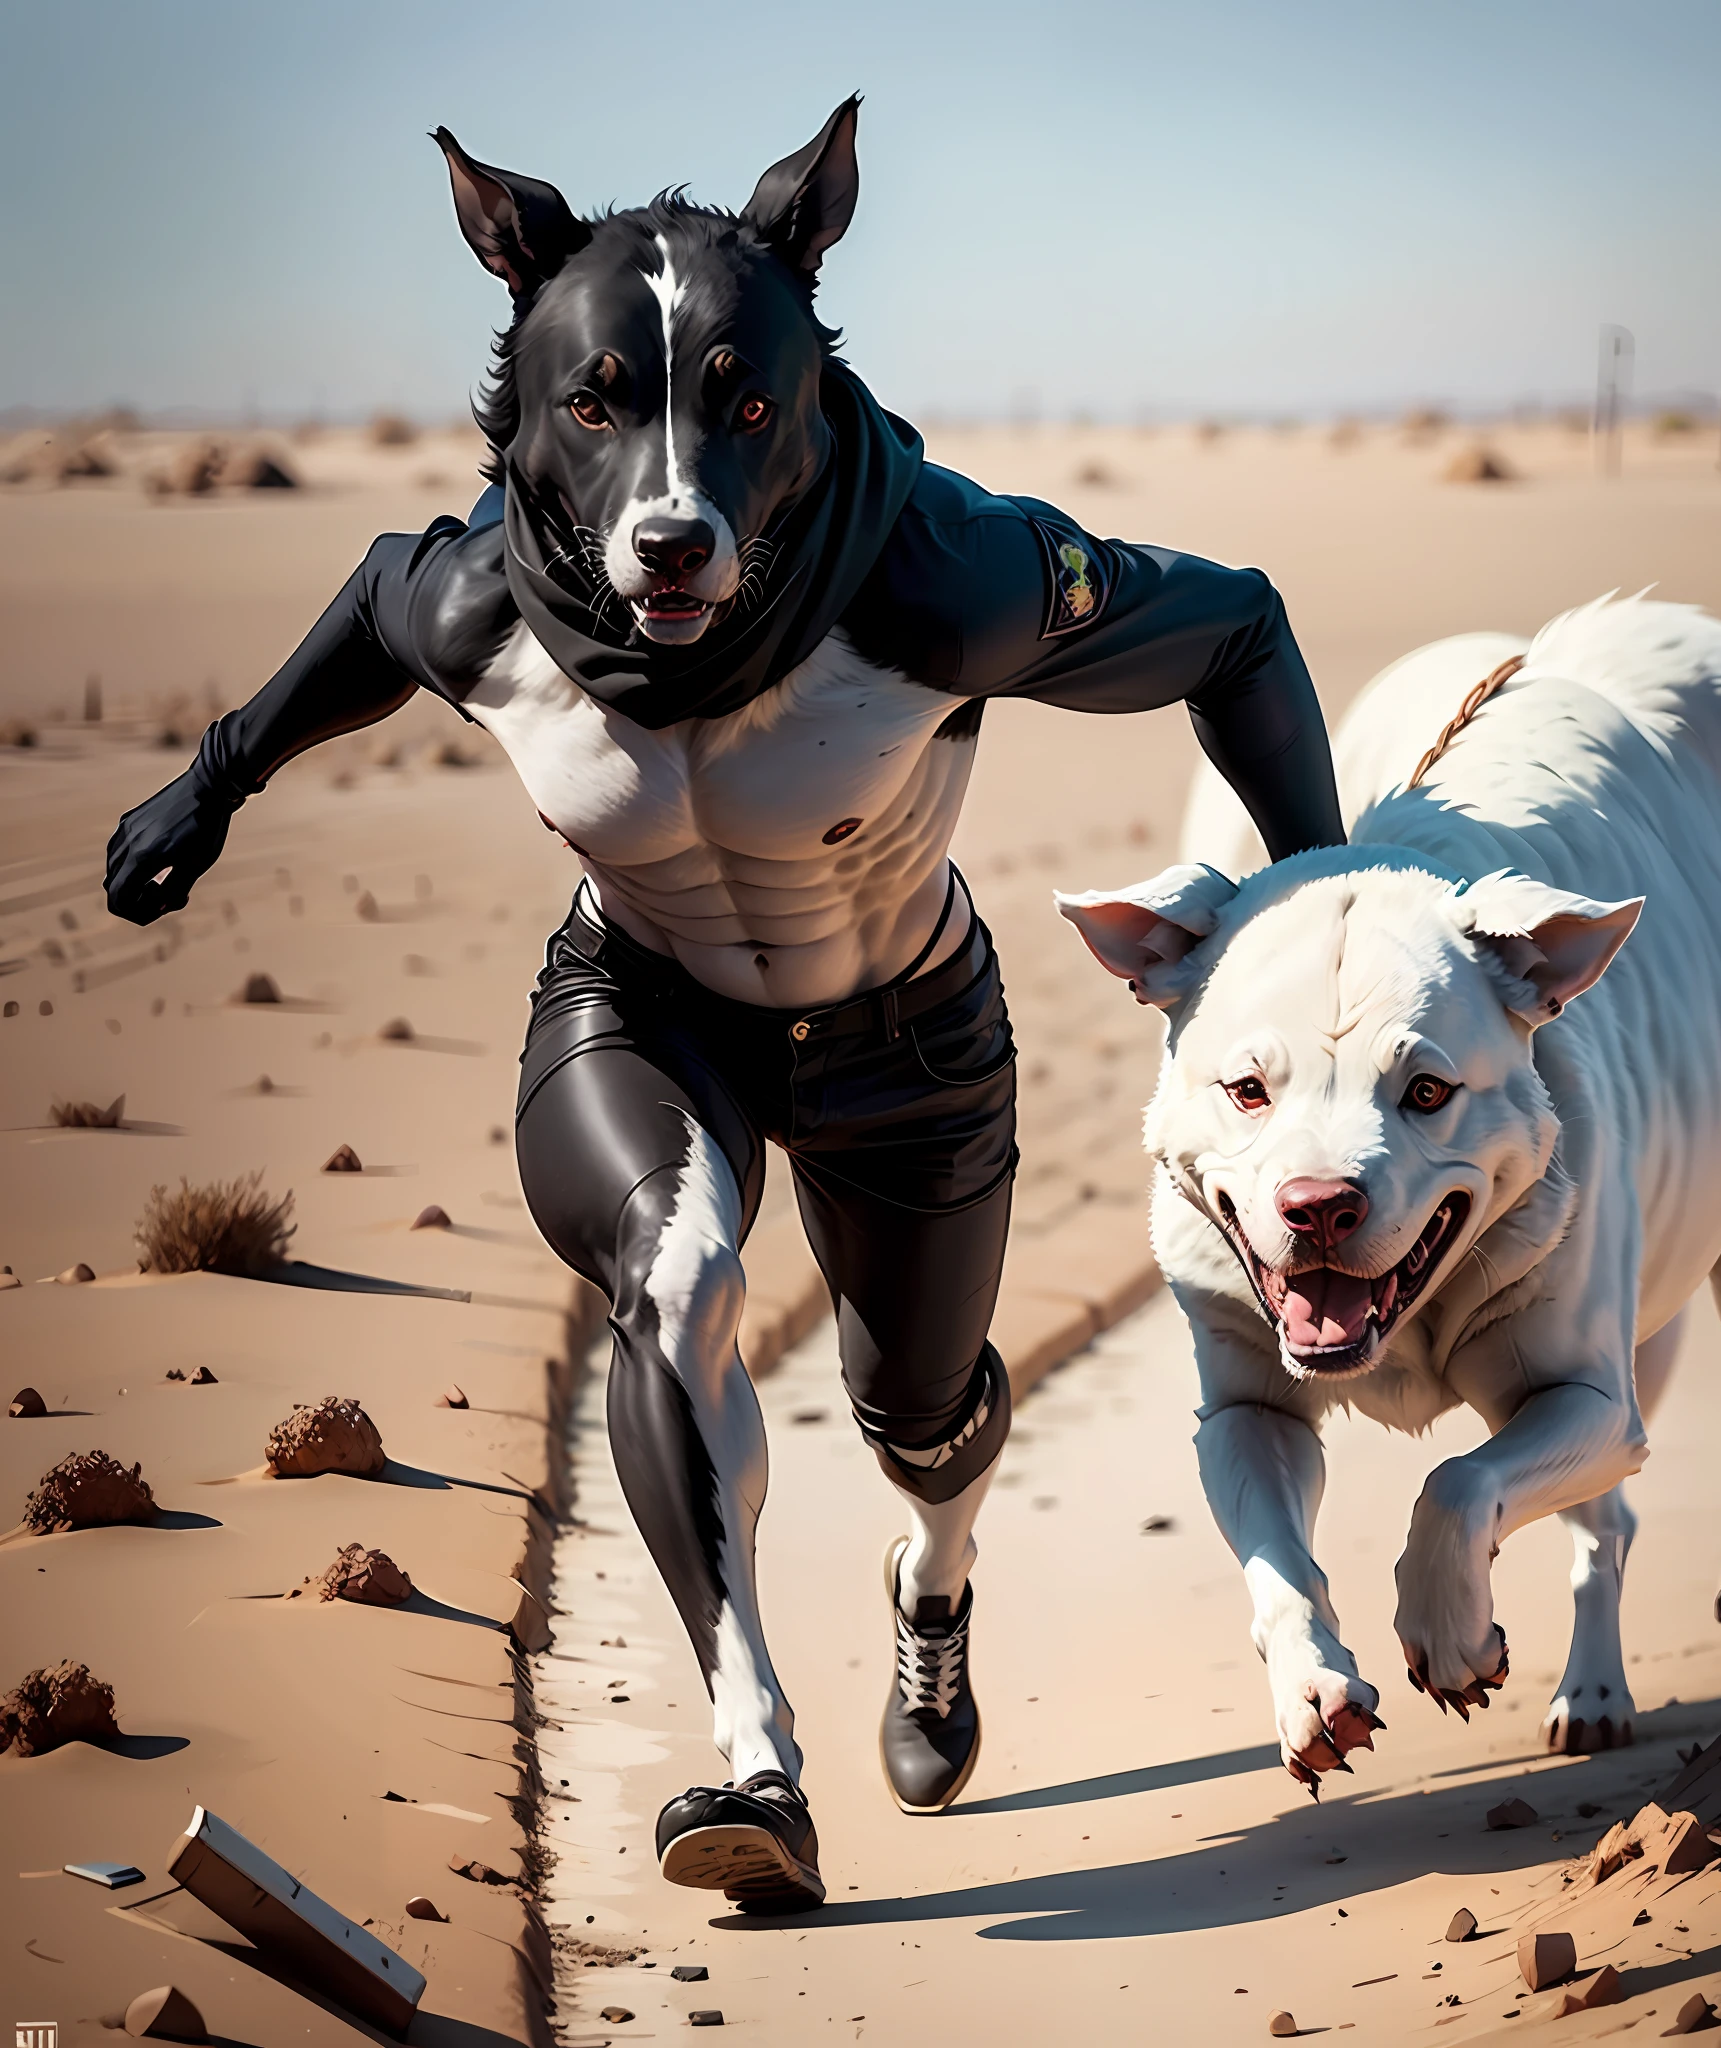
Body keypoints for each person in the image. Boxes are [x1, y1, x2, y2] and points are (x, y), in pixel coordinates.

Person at [105, 99, 1344, 1914]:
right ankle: (748, 1749)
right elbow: (375, 609)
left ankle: (935, 1589)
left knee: (923, 1423)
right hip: (646, 1005)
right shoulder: (486, 608)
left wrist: (1319, 905)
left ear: (801, 409)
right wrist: (214, 780)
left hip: (908, 1031)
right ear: (536, 412)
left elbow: (1235, 627)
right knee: (674, 1282)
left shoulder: (941, 580)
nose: (673, 506)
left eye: (738, 417)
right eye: (606, 411)